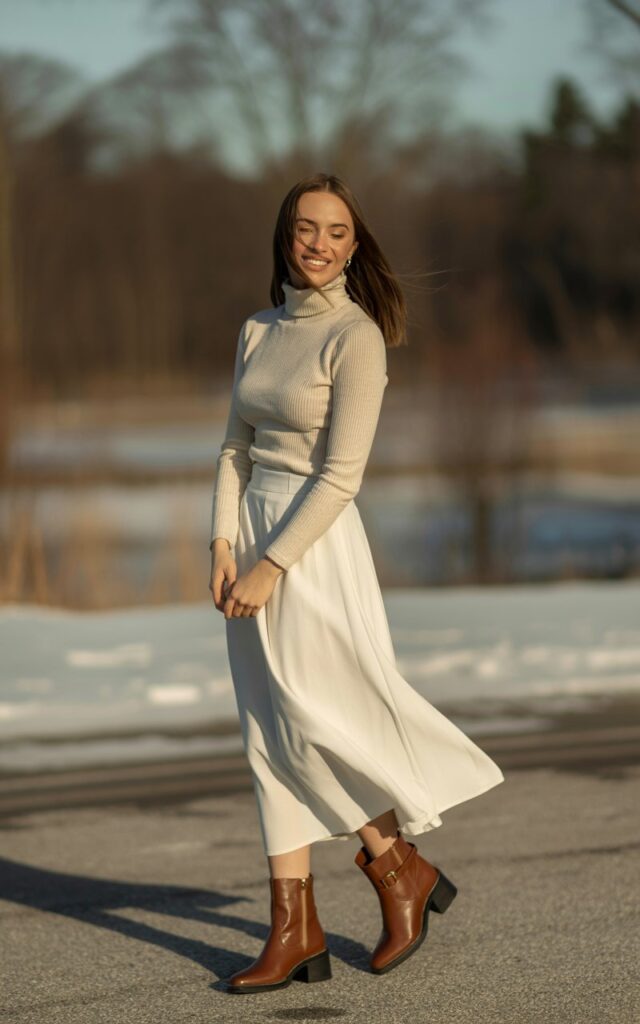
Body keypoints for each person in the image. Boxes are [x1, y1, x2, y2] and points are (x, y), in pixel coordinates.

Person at [208, 172, 505, 993]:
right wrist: (223, 541)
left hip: (315, 546)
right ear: (285, 235)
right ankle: (296, 928)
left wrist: (272, 564)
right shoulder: (258, 331)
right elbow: (236, 447)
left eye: (337, 233)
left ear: (355, 244)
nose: (320, 245)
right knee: (266, 736)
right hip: (254, 542)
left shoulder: (357, 337)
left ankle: (393, 861)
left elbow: (340, 478)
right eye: (307, 230)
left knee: (308, 720)